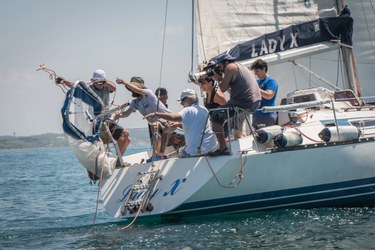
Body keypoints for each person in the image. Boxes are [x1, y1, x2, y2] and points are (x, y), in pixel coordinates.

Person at [55, 69, 130, 156]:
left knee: (127, 139)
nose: (100, 85)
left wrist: (102, 81)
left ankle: (118, 160)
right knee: (125, 133)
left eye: (102, 82)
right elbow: (76, 87)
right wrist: (63, 81)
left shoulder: (106, 87)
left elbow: (113, 87)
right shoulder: (90, 88)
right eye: (97, 83)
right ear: (93, 81)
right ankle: (117, 161)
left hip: (106, 118)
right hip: (98, 120)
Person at [210, 54, 261, 156]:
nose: (220, 69)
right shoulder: (241, 66)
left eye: (219, 66)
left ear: (225, 62)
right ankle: (240, 148)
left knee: (215, 116)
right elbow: (232, 89)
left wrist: (219, 78)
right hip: (253, 102)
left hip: (243, 103)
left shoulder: (230, 67)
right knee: (234, 124)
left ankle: (223, 148)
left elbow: (223, 88)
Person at [144, 89, 218, 158]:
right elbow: (194, 126)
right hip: (212, 146)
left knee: (181, 151)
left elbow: (173, 117)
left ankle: (162, 157)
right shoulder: (204, 109)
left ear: (188, 99)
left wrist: (156, 114)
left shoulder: (187, 110)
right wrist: (178, 124)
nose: (181, 103)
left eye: (182, 100)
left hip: (196, 152)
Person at [114, 76, 173, 160]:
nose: (132, 90)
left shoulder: (148, 93)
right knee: (154, 127)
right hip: (157, 125)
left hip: (168, 120)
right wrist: (119, 115)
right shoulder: (135, 102)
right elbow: (127, 113)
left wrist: (124, 82)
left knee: (154, 125)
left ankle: (156, 155)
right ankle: (158, 154)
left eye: (133, 87)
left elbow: (137, 90)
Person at [198, 76, 230, 140]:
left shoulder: (217, 95)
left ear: (210, 83)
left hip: (223, 126)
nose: (201, 86)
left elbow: (229, 109)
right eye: (201, 84)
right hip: (215, 125)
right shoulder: (207, 94)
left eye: (204, 83)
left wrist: (221, 124)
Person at [250, 59, 279, 129]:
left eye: (257, 71)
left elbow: (269, 95)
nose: (256, 74)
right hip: (256, 115)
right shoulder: (256, 82)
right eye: (255, 72)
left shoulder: (271, 81)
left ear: (263, 69)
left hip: (267, 115)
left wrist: (255, 88)